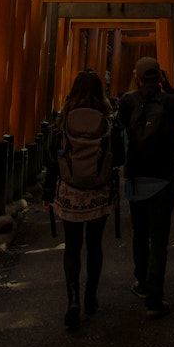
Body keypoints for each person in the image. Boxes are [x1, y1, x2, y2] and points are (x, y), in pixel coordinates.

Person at [43, 70, 125, 330]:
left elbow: (52, 159)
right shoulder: (109, 121)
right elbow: (120, 157)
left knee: (72, 246)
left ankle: (73, 299)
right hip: (99, 192)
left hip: (70, 191)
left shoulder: (63, 120)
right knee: (95, 245)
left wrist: (47, 193)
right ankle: (91, 296)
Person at [116, 57, 174, 319]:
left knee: (140, 233)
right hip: (162, 177)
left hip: (136, 176)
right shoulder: (169, 101)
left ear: (137, 77)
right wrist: (168, 87)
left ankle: (141, 282)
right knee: (159, 239)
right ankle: (154, 298)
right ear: (159, 76)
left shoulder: (127, 102)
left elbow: (120, 127)